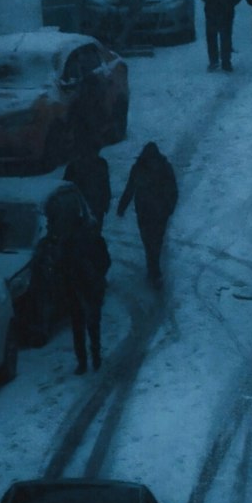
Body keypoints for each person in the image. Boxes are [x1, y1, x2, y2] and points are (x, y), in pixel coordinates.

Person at [117, 141, 178, 286]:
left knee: (153, 242)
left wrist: (169, 208)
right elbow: (130, 189)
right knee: (151, 242)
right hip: (149, 213)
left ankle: (154, 269)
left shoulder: (145, 169)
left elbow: (172, 190)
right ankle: (153, 269)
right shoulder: (161, 168)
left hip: (155, 213)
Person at [63, 216, 111, 374]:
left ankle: (82, 362)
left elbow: (63, 266)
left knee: (79, 328)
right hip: (92, 289)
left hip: (75, 289)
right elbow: (106, 262)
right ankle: (95, 358)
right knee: (92, 325)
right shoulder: (97, 242)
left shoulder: (70, 243)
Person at [63, 145, 111, 229]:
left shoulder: (101, 163)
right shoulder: (74, 166)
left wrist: (105, 203)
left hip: (96, 206)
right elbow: (66, 187)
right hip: (81, 207)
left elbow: (105, 185)